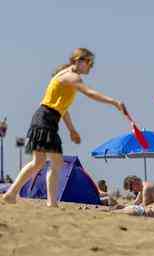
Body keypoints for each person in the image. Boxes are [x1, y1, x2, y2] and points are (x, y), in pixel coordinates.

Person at [3, 48, 127, 207]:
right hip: (46, 119)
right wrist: (114, 102)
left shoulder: (63, 75)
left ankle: (13, 194)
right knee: (54, 162)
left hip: (44, 117)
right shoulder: (72, 77)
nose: (91, 67)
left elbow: (62, 109)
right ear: (79, 61)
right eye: (90, 63)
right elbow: (89, 93)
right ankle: (47, 202)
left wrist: (71, 130)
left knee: (40, 162)